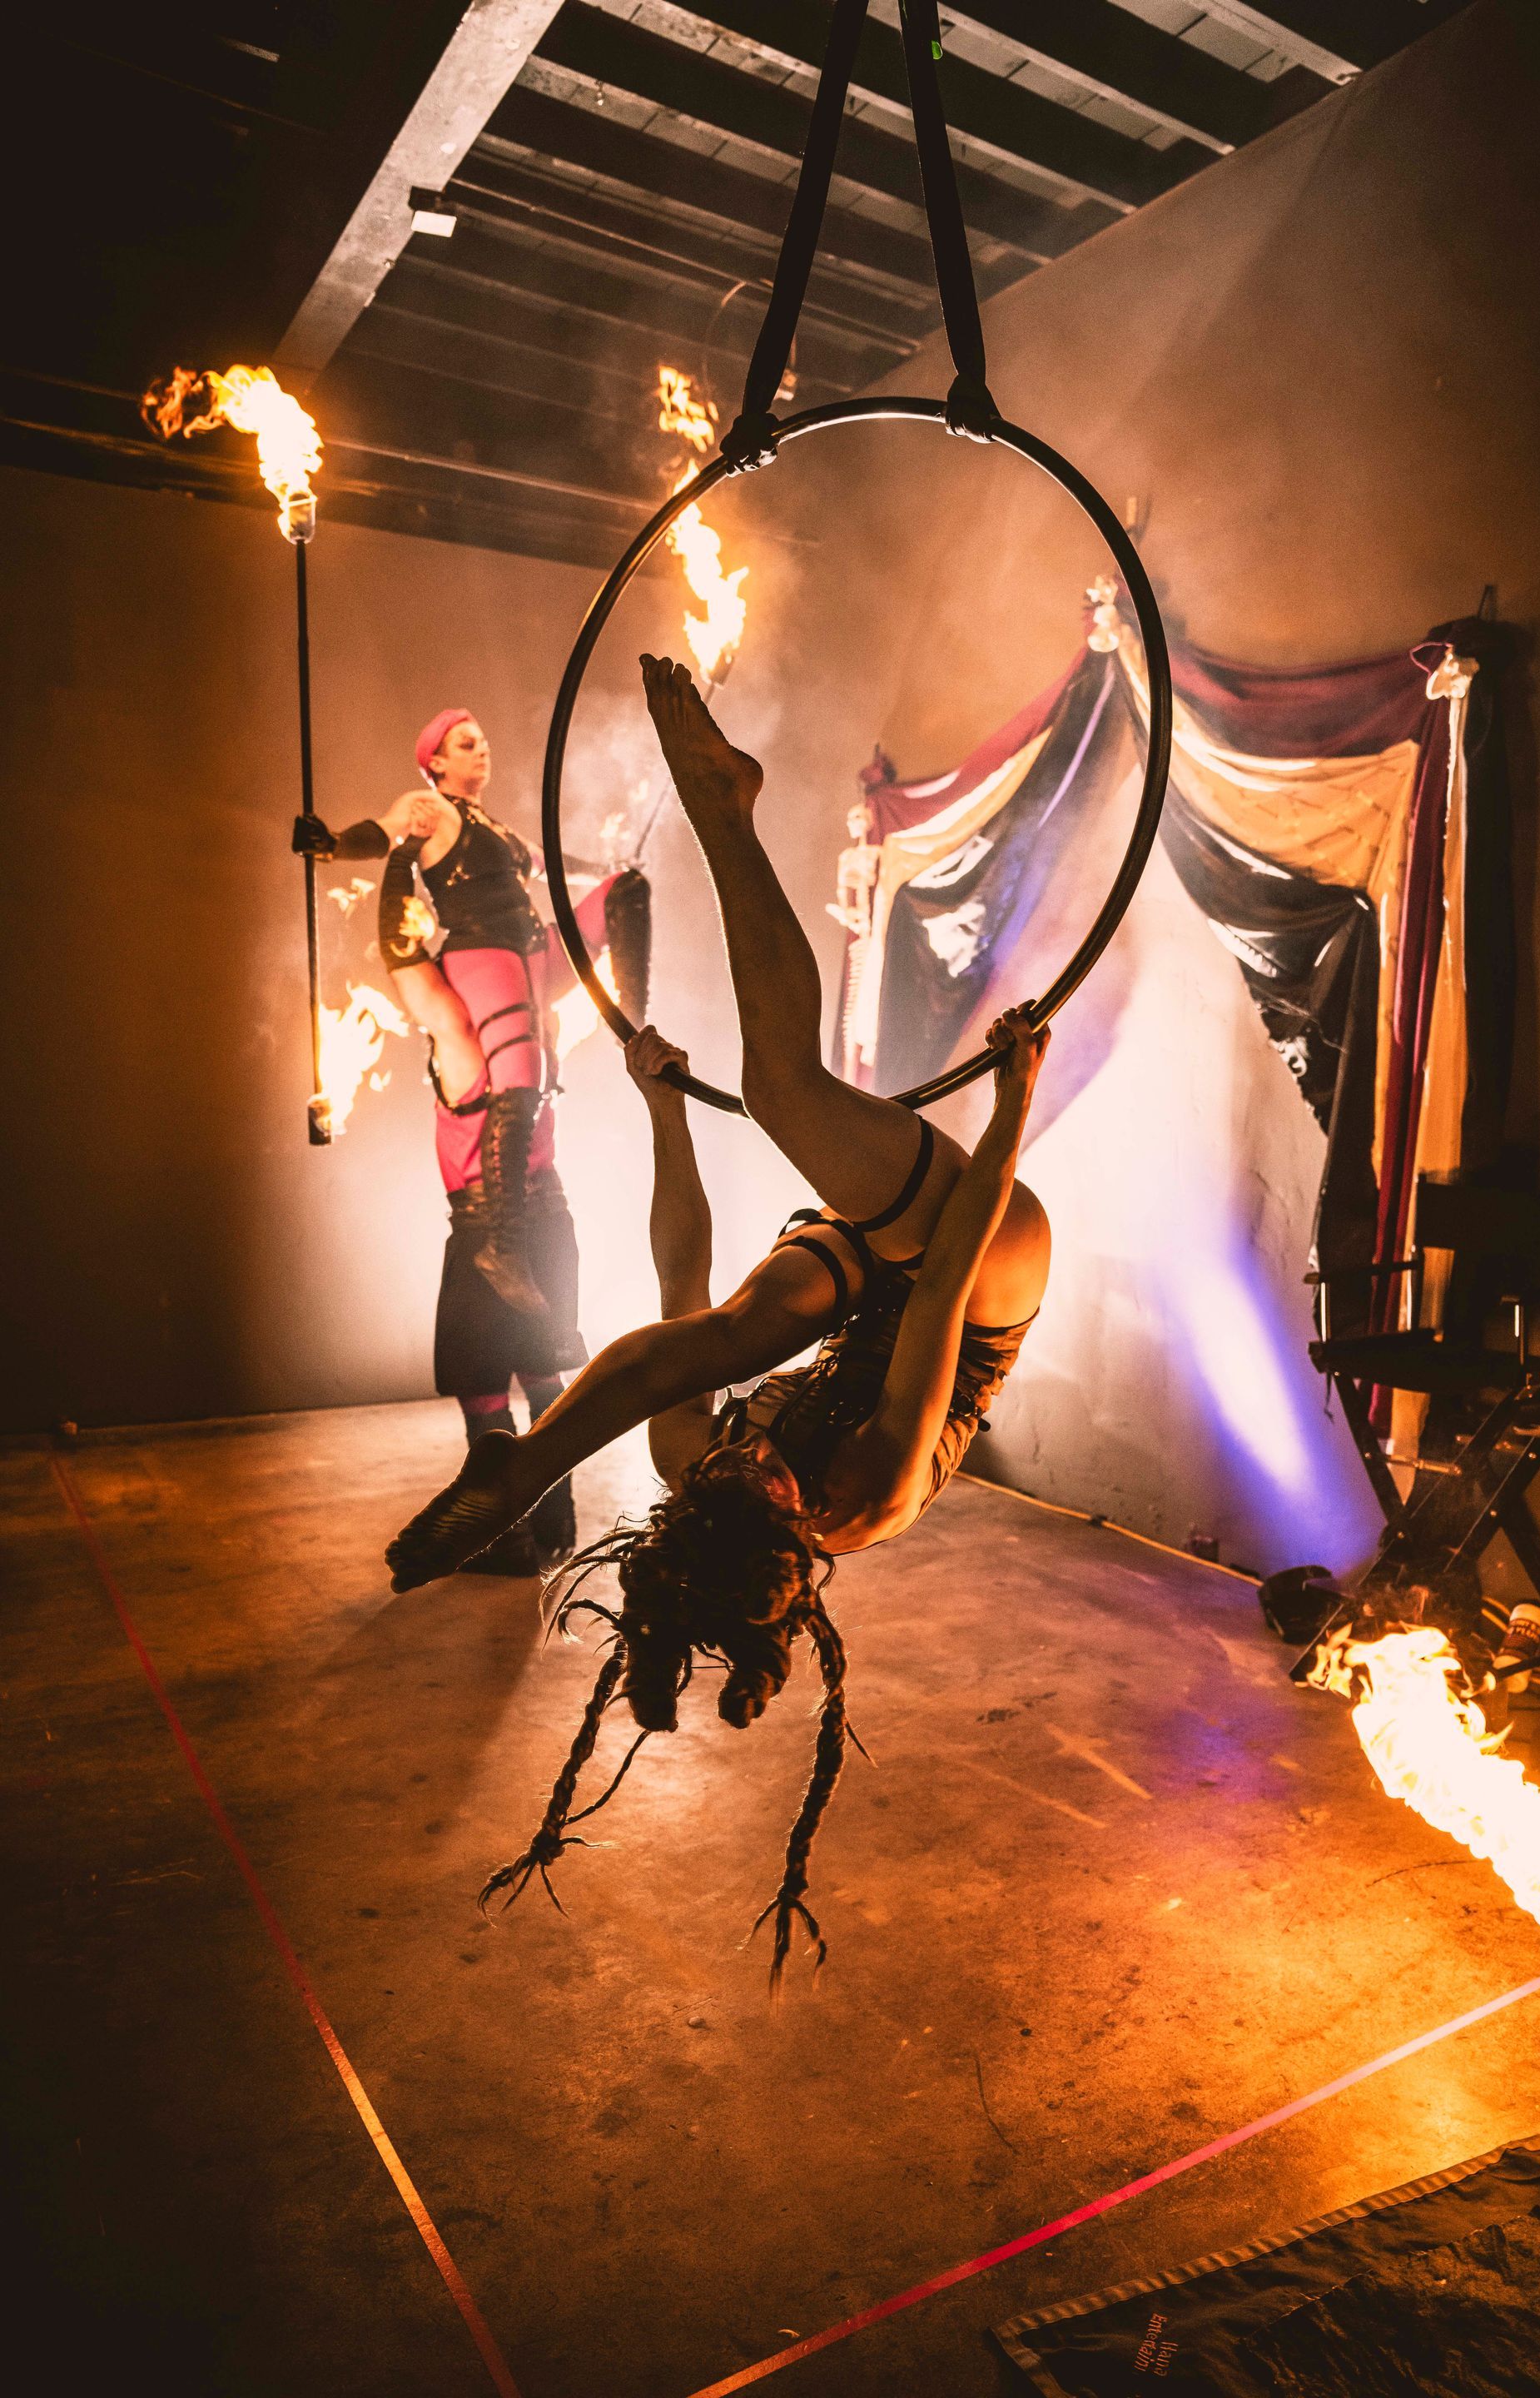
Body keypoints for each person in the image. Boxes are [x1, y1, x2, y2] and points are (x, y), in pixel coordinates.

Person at [386, 657, 1052, 1974]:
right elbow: (947, 1292)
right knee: (792, 1092)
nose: (747, 1453)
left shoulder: (699, 1477)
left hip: (855, 1285)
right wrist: (1014, 1107)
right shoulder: (867, 1490)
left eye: (727, 1466)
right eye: (762, 1471)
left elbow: (676, 1280)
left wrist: (662, 1110)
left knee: (742, 1323)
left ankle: (526, 1465)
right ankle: (724, 809)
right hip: (978, 1279)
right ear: (798, 1537)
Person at [296, 707, 584, 1568]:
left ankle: (507, 1526)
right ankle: (548, 1518)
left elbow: (404, 960)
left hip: (490, 1219)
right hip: (544, 1209)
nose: (481, 747)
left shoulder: (464, 1041)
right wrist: (333, 843)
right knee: (537, 1371)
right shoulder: (434, 815)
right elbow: (379, 831)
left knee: (482, 1375)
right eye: (464, 741)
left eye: (482, 738)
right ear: (432, 760)